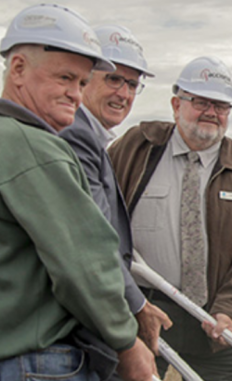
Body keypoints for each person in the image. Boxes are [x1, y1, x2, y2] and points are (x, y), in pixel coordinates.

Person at [0, 4, 154, 381]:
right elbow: (83, 262)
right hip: (32, 363)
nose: (74, 94)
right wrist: (127, 342)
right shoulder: (31, 147)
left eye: (82, 83)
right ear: (18, 69)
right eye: (65, 78)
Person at [107, 56, 232, 381]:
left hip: (218, 323)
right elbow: (100, 223)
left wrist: (229, 310)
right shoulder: (135, 147)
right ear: (176, 104)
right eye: (200, 101)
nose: (212, 112)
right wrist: (130, 305)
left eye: (222, 105)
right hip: (142, 312)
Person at [58, 25, 172, 359]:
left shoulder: (92, 137)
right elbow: (91, 240)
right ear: (84, 78)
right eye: (113, 79)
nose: (123, 94)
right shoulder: (76, 136)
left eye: (132, 84)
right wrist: (137, 305)